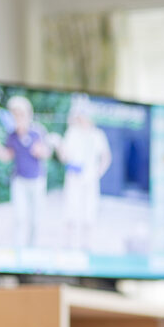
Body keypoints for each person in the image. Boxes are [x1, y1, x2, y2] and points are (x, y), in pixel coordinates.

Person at [0, 95, 52, 247]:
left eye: (20, 114)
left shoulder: (37, 131)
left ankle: (32, 249)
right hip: (19, 181)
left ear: (28, 114)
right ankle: (18, 250)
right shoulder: (12, 135)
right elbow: (7, 156)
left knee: (35, 220)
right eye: (14, 114)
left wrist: (41, 151)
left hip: (37, 180)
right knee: (19, 218)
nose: (18, 117)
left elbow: (47, 152)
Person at [54, 98, 112, 250]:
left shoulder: (97, 134)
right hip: (73, 178)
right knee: (70, 212)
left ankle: (87, 247)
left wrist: (97, 173)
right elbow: (64, 157)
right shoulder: (72, 132)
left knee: (89, 213)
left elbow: (106, 156)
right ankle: (67, 246)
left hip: (90, 179)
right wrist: (58, 145)